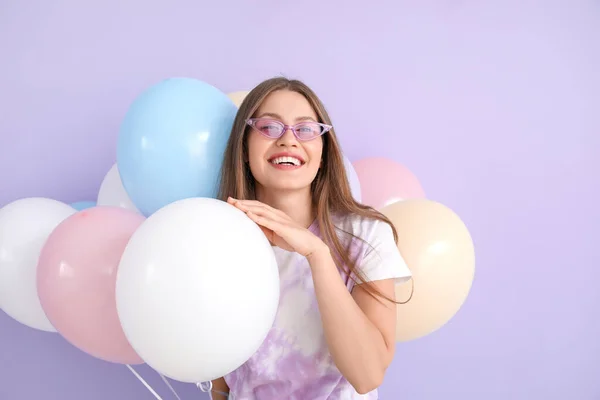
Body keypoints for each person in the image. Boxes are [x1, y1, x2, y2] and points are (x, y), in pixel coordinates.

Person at [212, 77, 412, 399]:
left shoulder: (365, 234)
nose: (288, 140)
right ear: (245, 149)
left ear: (323, 151)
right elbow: (220, 377)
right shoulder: (220, 240)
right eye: (269, 127)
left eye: (305, 129)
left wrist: (317, 254)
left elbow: (367, 374)